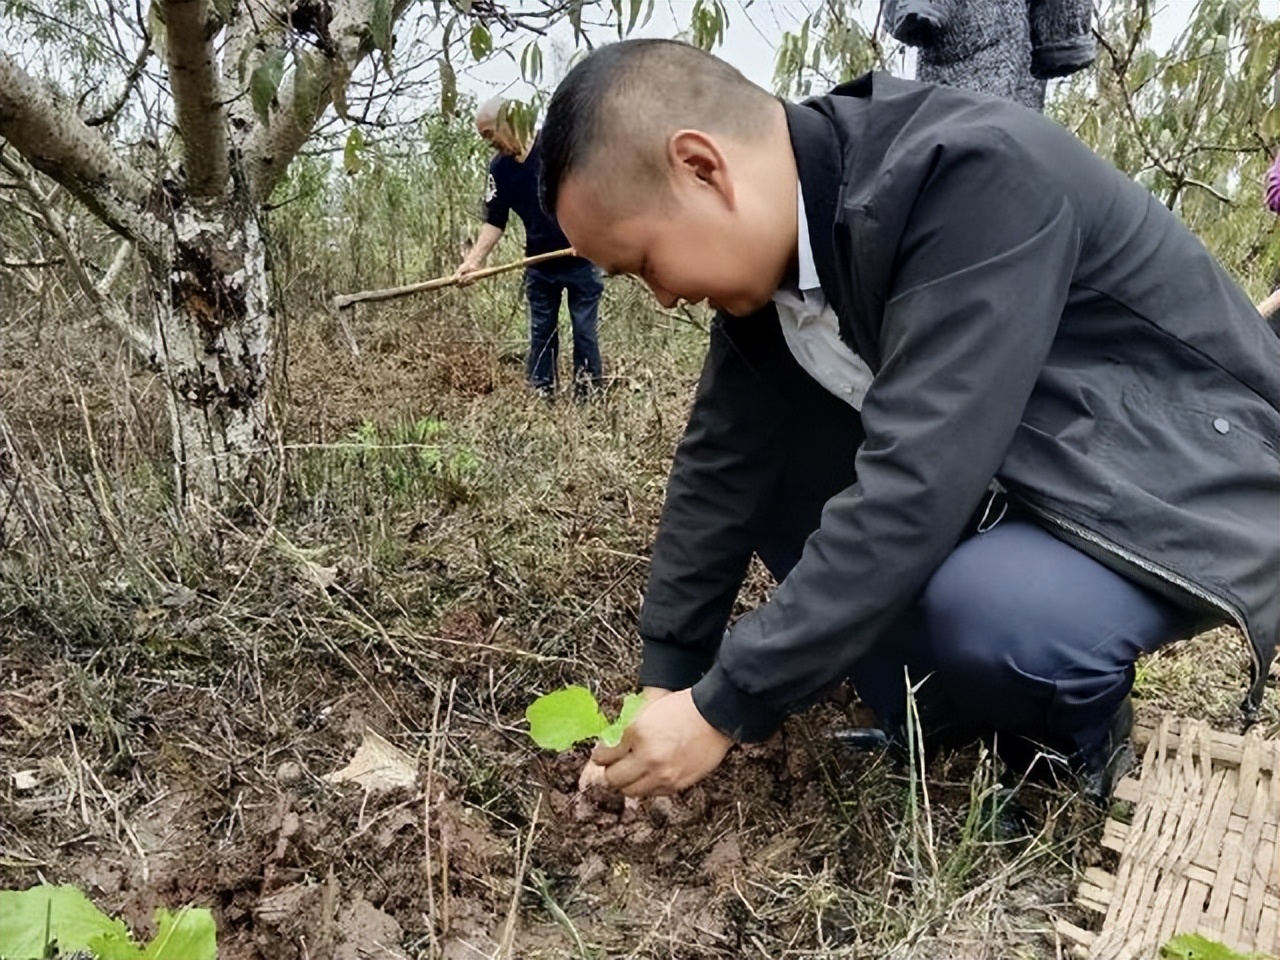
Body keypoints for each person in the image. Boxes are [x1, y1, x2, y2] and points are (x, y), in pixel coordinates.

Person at [537, 40, 1280, 801]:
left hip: (1187, 472)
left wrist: (724, 705)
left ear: (702, 167)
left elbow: (918, 481)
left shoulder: (966, 177)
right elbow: (721, 462)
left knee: (999, 614)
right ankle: (942, 721)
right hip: (1038, 460)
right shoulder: (792, 246)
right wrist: (670, 676)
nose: (662, 297)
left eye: (645, 264)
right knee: (775, 473)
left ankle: (1065, 750)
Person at [455, 97, 604, 399]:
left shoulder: (557, 148)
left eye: (489, 135)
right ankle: (541, 396)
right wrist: (474, 261)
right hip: (539, 264)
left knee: (584, 330)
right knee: (541, 333)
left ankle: (589, 397)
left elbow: (595, 193)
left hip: (581, 259)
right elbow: (494, 222)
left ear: (508, 123)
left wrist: (587, 235)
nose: (489, 144)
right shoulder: (500, 170)